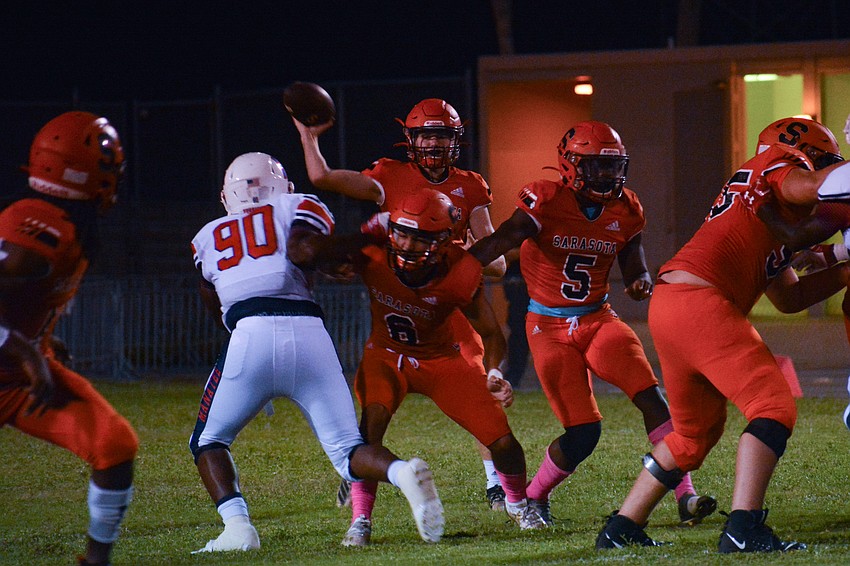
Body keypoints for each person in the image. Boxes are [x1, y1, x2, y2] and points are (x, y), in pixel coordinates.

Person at [593, 116, 850, 553]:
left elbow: (790, 298)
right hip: (700, 304)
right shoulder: (776, 166)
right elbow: (814, 186)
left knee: (693, 436)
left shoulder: (765, 211)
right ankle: (743, 528)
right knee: (773, 407)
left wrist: (842, 270)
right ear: (802, 154)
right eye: (826, 162)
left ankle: (622, 527)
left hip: (674, 305)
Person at [188, 152, 444, 553]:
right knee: (348, 450)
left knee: (208, 441)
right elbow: (305, 251)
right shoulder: (297, 204)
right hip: (309, 333)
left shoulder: (207, 236)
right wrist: (369, 232)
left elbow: (213, 296)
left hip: (249, 333)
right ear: (283, 187)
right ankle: (401, 472)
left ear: (227, 195)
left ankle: (238, 528)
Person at [468, 120, 715, 527]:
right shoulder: (545, 200)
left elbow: (634, 263)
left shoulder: (626, 208)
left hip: (598, 318)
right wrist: (453, 267)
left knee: (653, 400)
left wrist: (641, 280)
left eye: (613, 165)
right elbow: (501, 240)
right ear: (570, 165)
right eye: (597, 165)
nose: (606, 174)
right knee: (583, 434)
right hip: (548, 327)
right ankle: (535, 496)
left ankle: (684, 495)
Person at [291, 188, 546, 545]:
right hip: (386, 355)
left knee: (502, 441)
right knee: (368, 433)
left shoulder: (460, 271)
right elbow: (315, 252)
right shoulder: (373, 252)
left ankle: (518, 504)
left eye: (420, 238)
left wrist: (493, 371)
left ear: (443, 241)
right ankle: (361, 519)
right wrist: (353, 244)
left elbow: (491, 333)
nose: (407, 245)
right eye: (401, 234)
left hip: (440, 360)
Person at [294, 98, 510, 511]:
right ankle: (359, 471)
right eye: (425, 135)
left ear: (455, 140)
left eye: (441, 135)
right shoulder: (388, 176)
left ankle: (494, 482)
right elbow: (321, 176)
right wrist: (308, 136)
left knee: (480, 387)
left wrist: (460, 255)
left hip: (448, 303)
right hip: (399, 297)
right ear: (410, 139)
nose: (433, 143)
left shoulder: (470, 185)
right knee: (376, 400)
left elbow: (497, 263)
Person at [0, 111, 138, 566]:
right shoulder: (37, 228)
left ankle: (96, 562)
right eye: (107, 166)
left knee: (113, 444)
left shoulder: (67, 225)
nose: (115, 178)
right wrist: (24, 350)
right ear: (80, 172)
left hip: (14, 381)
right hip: (16, 367)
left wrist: (39, 341)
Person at [502, 249, 531, 388]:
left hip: (535, 279)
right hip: (519, 280)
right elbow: (505, 252)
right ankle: (513, 376)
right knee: (518, 331)